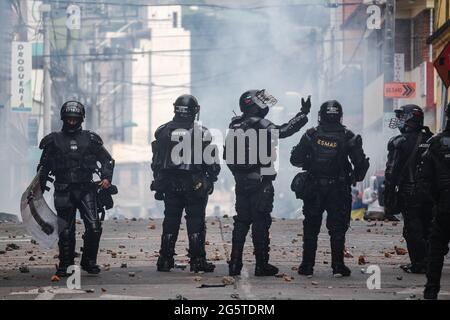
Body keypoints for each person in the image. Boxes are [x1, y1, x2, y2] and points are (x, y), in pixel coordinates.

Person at [224, 89, 311, 277]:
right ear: (254, 105)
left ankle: (235, 264)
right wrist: (302, 115)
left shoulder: (234, 125)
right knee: (260, 222)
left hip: (241, 182)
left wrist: (240, 175)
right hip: (260, 182)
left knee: (241, 221)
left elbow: (227, 155)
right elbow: (284, 131)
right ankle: (261, 264)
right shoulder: (261, 124)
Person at [290, 100, 369, 277]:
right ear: (339, 116)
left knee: (311, 228)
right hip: (338, 189)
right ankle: (338, 266)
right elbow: (361, 165)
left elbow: (295, 159)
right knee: (338, 229)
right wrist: (353, 177)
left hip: (314, 188)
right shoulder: (348, 136)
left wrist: (310, 164)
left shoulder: (311, 134)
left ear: (321, 115)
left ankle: (307, 266)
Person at [37, 101, 115, 277]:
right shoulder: (53, 140)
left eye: (75, 119)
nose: (72, 122)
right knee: (66, 230)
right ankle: (66, 264)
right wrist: (39, 190)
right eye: (69, 119)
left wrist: (106, 178)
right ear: (63, 118)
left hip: (87, 189)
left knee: (94, 227)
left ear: (81, 119)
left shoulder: (91, 139)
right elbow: (43, 168)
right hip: (63, 190)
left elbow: (107, 160)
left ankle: (89, 261)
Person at [151, 94, 220, 273]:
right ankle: (197, 261)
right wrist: (211, 179)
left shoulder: (162, 131)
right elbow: (211, 163)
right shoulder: (202, 133)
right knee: (196, 222)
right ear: (194, 111)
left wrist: (158, 183)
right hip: (193, 184)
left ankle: (165, 260)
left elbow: (156, 162)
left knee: (170, 221)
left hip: (169, 184)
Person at [384, 104, 434, 274]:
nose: (398, 120)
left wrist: (388, 197)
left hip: (410, 192)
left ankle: (419, 264)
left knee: (412, 229)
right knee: (429, 227)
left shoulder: (399, 142)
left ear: (409, 119)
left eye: (401, 116)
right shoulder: (432, 140)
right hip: (431, 194)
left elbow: (391, 172)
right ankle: (430, 261)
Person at [417, 103, 450, 299]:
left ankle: (431, 291)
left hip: (444, 206)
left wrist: (437, 200)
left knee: (436, 250)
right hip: (442, 203)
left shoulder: (434, 143)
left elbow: (424, 180)